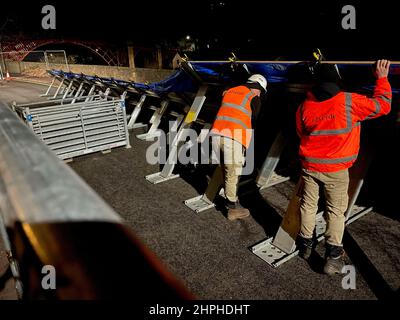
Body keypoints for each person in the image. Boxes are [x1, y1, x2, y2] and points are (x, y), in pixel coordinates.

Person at [296, 60, 392, 275]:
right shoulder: (348, 101)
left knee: (308, 206)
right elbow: (383, 105)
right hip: (336, 170)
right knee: (335, 212)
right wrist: (382, 79)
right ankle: (333, 257)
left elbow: (301, 132)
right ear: (337, 80)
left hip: (309, 166)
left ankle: (305, 246)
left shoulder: (305, 106)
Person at [210, 74, 267, 220]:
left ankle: (232, 198)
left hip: (216, 136)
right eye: (261, 91)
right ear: (257, 87)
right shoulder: (253, 97)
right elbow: (255, 118)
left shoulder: (229, 91)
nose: (260, 94)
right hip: (233, 139)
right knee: (233, 173)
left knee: (226, 171)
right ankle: (232, 209)